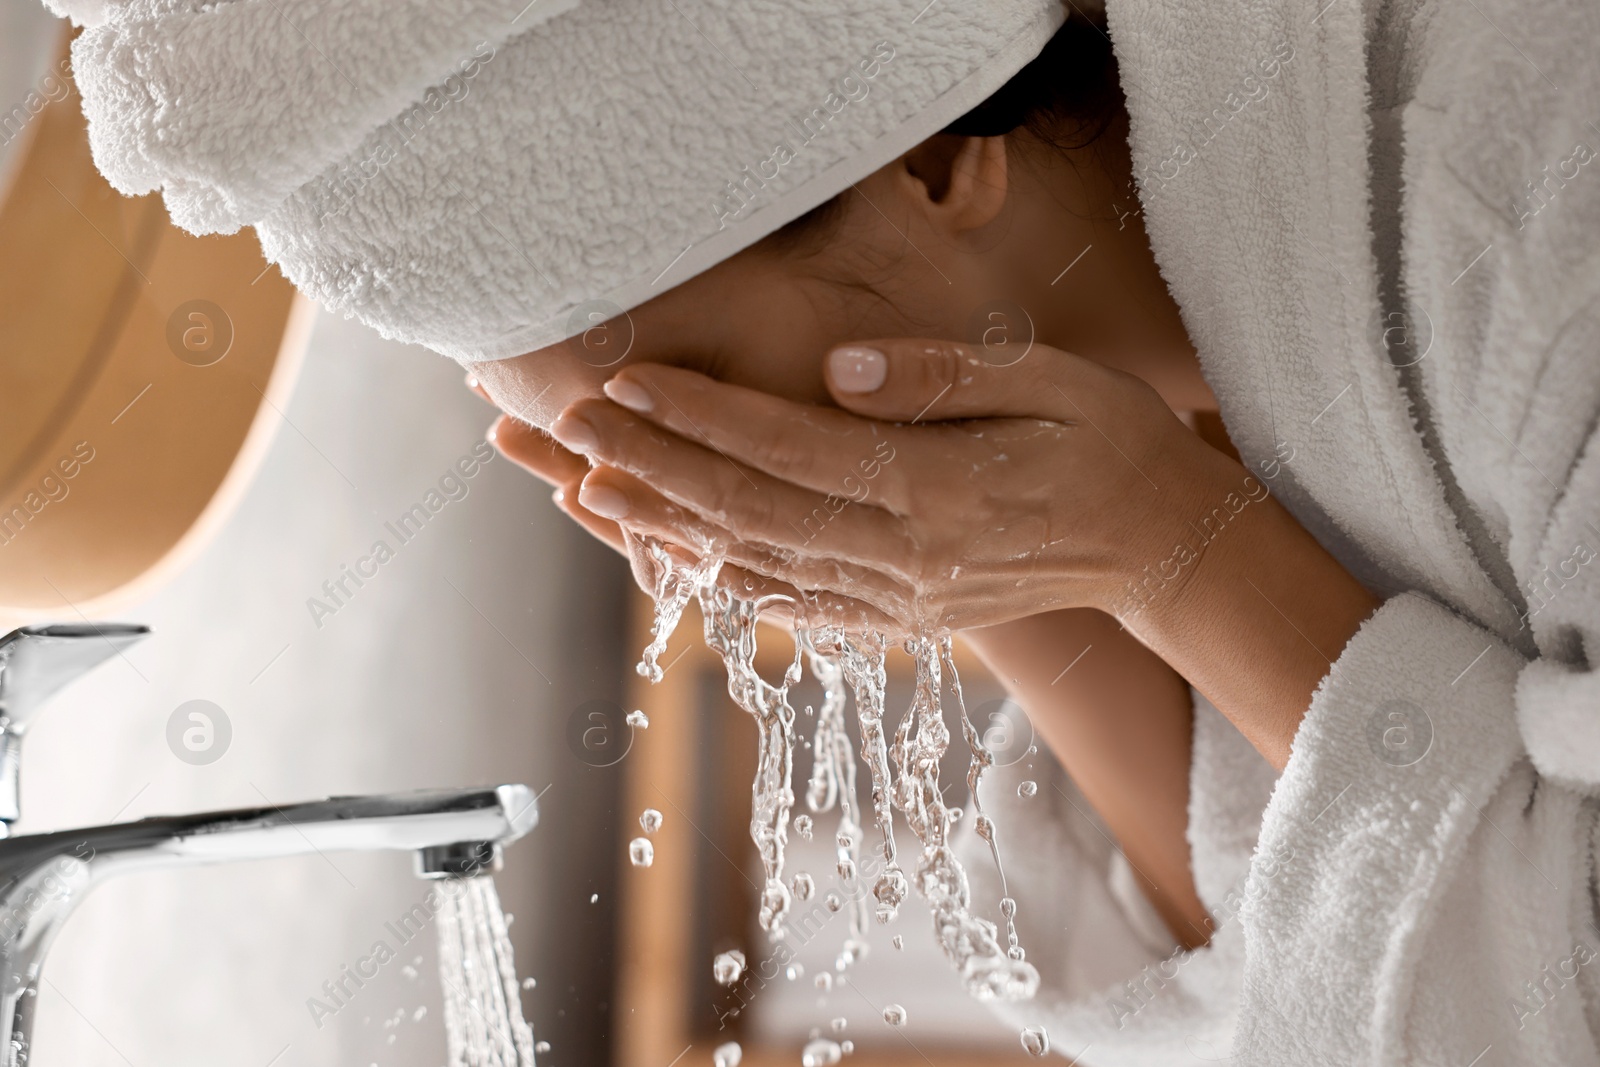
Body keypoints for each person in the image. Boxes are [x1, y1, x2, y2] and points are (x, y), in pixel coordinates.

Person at [56, 0, 1600, 1060]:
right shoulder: (1240, 349)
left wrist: (1173, 549)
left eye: (696, 406)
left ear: (930, 163)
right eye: (627, 467)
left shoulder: (1540, 193)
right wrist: (1041, 576)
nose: (703, 535)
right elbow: (1297, 942)